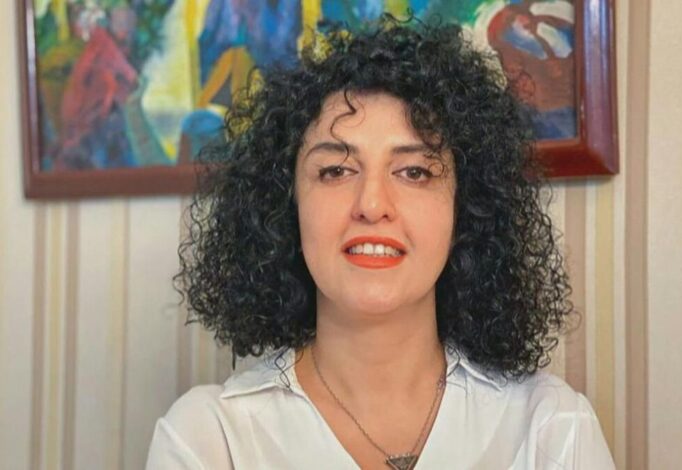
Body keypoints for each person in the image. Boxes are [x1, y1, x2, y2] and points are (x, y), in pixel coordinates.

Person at [147, 17, 615, 470]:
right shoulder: (209, 438)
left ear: (467, 208)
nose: (372, 205)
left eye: (414, 172)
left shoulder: (552, 427)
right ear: (285, 206)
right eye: (336, 171)